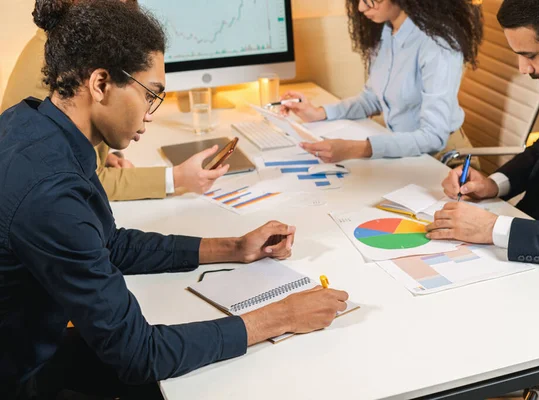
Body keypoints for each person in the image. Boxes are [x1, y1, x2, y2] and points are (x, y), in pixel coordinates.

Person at [0, 1, 349, 398]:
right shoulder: (51, 191)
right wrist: (282, 316)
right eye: (151, 94)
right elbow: (139, 354)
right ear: (100, 84)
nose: (150, 115)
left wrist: (234, 248)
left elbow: (106, 244)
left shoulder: (30, 122)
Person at [426, 0, 539, 271]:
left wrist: (494, 229)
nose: (524, 68)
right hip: (532, 234)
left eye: (530, 55)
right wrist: (494, 184)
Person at [0, 0, 227, 202]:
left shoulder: (64, 46)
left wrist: (100, 154)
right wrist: (176, 177)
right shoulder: (61, 63)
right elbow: (81, 180)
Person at [279, 0, 483, 163]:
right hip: (403, 152)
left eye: (370, 0)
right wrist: (319, 113)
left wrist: (357, 148)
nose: (360, 7)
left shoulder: (437, 45)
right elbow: (372, 99)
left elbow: (433, 137)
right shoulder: (388, 30)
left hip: (442, 160)